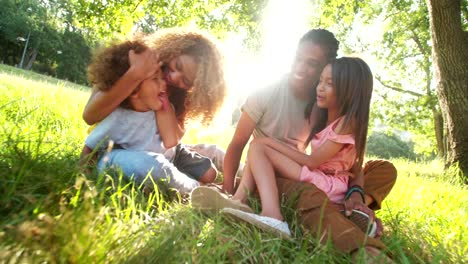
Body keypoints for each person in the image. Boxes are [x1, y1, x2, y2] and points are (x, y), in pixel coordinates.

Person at [190, 29, 397, 259]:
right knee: (307, 193)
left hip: (309, 172)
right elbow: (238, 144)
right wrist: (229, 189)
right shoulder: (266, 94)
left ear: (328, 68)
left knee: (383, 168)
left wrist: (357, 192)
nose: (300, 68)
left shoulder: (325, 101)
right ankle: (360, 248)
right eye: (298, 58)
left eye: (312, 64)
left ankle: (352, 208)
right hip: (274, 173)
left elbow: (351, 163)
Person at [220, 56, 375, 238]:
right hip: (322, 178)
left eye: (329, 83)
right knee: (257, 151)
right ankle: (239, 200)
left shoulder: (348, 123)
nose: (320, 88)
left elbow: (312, 161)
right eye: (320, 81)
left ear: (349, 90)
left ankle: (271, 214)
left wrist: (269, 142)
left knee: (259, 148)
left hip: (328, 184)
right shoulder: (327, 119)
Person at [81, 28, 227, 192]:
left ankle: (247, 175)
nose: (173, 78)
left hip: (161, 148)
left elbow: (173, 140)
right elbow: (90, 116)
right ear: (174, 49)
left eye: (186, 81)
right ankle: (200, 187)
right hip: (123, 150)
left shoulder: (177, 95)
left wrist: (162, 106)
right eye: (177, 66)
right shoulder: (136, 59)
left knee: (211, 162)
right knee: (152, 167)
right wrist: (136, 75)